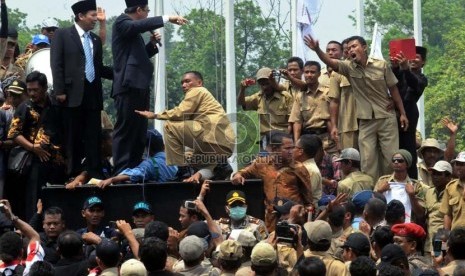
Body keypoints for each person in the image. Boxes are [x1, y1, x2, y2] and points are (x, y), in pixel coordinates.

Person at [304, 35, 408, 181]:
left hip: (386, 117)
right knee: (367, 160)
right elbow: (330, 62)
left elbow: (394, 89)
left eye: (354, 46)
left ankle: (389, 189)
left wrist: (402, 113)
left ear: (364, 48)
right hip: (365, 121)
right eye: (349, 48)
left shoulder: (381, 65)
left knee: (390, 157)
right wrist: (317, 50)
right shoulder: (348, 67)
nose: (351, 49)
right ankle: (372, 193)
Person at [111, 0, 187, 175]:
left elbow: (137, 58)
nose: (147, 14)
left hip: (139, 86)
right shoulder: (122, 23)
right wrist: (167, 18)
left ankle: (133, 169)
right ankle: (121, 170)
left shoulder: (132, 31)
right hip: (127, 86)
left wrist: (151, 45)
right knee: (126, 130)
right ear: (138, 10)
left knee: (139, 131)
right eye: (146, 11)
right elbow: (140, 25)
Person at [51, 0, 113, 181]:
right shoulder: (62, 35)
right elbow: (56, 64)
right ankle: (73, 173)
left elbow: (99, 67)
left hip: (93, 94)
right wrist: (59, 90)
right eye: (92, 16)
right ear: (80, 16)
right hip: (71, 95)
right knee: (72, 136)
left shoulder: (94, 39)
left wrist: (122, 73)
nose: (95, 19)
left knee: (93, 136)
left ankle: (93, 172)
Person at [136, 71, 234, 182]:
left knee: (169, 126)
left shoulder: (197, 90)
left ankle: (182, 170)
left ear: (199, 82)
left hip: (211, 135)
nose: (183, 85)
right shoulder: (204, 102)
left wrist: (155, 115)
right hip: (224, 145)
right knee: (190, 159)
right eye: (182, 83)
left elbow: (181, 112)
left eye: (187, 81)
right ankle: (219, 167)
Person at [7, 71, 65, 219]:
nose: (32, 93)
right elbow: (14, 133)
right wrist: (33, 148)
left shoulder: (56, 104)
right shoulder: (24, 107)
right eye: (29, 90)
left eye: (35, 90)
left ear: (45, 88)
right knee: (34, 202)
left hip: (57, 163)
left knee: (56, 201)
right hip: (34, 164)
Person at [231, 131, 312, 231]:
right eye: (287, 148)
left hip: (294, 219)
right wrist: (238, 175)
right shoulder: (261, 164)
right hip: (270, 220)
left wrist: (305, 218)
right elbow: (243, 172)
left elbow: (308, 200)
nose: (291, 151)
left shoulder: (299, 168)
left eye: (293, 147)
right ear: (275, 149)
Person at [392, 46, 428, 179]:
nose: (413, 59)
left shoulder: (422, 79)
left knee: (408, 150)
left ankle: (412, 180)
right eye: (411, 56)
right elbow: (390, 81)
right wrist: (395, 66)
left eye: (417, 57)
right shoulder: (400, 73)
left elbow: (414, 84)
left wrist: (406, 69)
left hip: (409, 116)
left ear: (423, 62)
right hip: (392, 115)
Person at [98, 129, 178, 187]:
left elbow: (136, 173)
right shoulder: (174, 161)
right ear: (163, 146)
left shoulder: (151, 164)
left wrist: (112, 179)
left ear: (147, 148)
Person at [289, 61, 335, 154]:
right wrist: (297, 144)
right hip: (308, 141)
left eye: (312, 72)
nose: (309, 75)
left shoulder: (328, 92)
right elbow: (297, 121)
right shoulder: (300, 96)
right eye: (306, 72)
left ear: (319, 74)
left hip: (327, 140)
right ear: (303, 73)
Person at [374, 149, 428, 224]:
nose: (396, 162)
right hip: (384, 228)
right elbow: (372, 206)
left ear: (407, 164)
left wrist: (412, 196)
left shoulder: (416, 185)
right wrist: (379, 191)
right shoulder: (383, 181)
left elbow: (420, 214)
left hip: (407, 228)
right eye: (394, 160)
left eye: (400, 160)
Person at [238, 67, 293, 137]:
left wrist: (288, 138)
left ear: (273, 82)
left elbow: (292, 122)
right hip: (265, 138)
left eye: (267, 84)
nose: (265, 87)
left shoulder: (285, 97)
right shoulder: (258, 98)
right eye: (262, 84)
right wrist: (242, 89)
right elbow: (241, 102)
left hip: (282, 137)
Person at [425, 161, 453, 255]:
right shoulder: (429, 192)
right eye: (434, 174)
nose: (435, 177)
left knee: (440, 263)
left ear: (448, 177)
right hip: (428, 242)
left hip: (443, 239)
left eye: (439, 174)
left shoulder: (453, 193)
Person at [292, 134, 323, 206]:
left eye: (294, 147)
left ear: (300, 151)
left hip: (308, 212)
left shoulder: (310, 170)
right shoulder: (302, 166)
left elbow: (306, 195)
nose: (292, 150)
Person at [439, 152, 465, 230]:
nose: (458, 167)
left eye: (462, 164)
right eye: (457, 164)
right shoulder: (450, 187)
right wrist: (446, 235)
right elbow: (447, 214)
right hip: (456, 236)